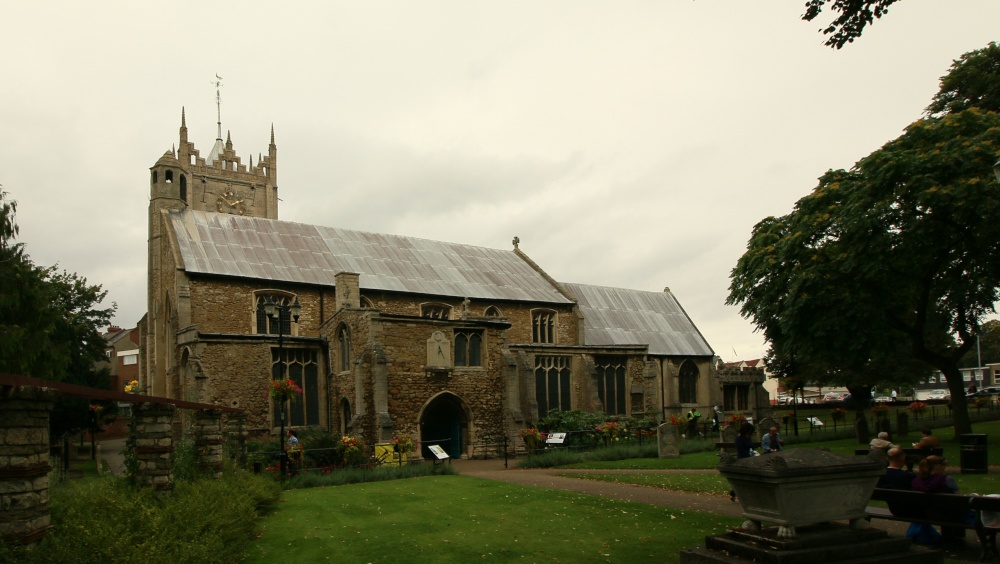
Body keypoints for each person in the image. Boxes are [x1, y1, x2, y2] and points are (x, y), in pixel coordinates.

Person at [912, 455, 966, 544]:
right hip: (948, 514)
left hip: (924, 513)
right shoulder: (946, 479)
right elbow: (960, 499)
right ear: (939, 466)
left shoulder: (916, 481)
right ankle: (958, 537)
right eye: (944, 466)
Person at [877, 447, 919, 518]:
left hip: (893, 508)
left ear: (888, 458)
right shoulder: (909, 476)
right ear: (903, 458)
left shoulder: (880, 475)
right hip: (909, 510)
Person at [730, 422, 756, 502]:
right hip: (742, 459)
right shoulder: (739, 438)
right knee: (742, 478)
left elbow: (751, 446)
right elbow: (741, 451)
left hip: (749, 458)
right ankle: (734, 493)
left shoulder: (748, 437)